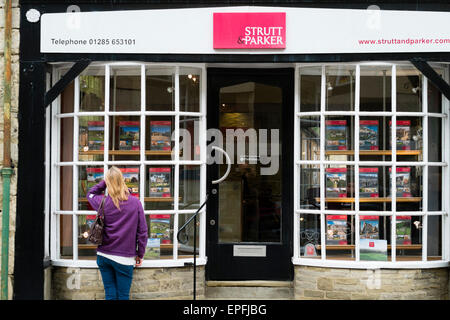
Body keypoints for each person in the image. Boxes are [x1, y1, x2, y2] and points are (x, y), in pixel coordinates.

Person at [87, 166, 148, 300]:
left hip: (104, 255)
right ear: (123, 181)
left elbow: (90, 193)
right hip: (124, 258)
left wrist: (105, 181)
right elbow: (142, 232)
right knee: (123, 295)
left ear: (107, 182)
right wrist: (140, 254)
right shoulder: (135, 203)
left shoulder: (102, 201)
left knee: (110, 293)